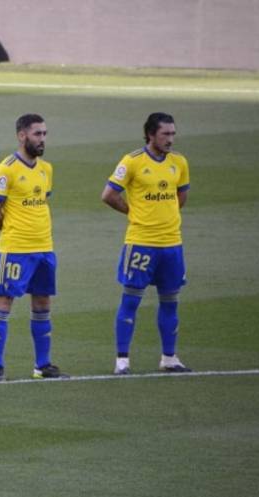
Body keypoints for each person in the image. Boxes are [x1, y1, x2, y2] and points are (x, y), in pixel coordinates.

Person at [101, 112, 192, 374]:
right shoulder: (132, 161)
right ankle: (122, 361)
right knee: (131, 300)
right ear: (150, 134)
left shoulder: (179, 162)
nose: (170, 139)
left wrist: (166, 216)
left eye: (173, 134)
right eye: (165, 134)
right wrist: (134, 212)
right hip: (140, 243)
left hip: (172, 244)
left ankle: (169, 358)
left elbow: (181, 196)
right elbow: (108, 195)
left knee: (170, 301)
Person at [0, 113, 66, 381]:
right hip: (15, 249)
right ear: (22, 136)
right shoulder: (6, 169)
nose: (42, 139)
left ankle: (42, 365)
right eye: (37, 134)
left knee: (42, 302)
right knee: (4, 303)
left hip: (44, 248)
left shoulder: (46, 169)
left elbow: (40, 203)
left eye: (44, 134)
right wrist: (12, 231)